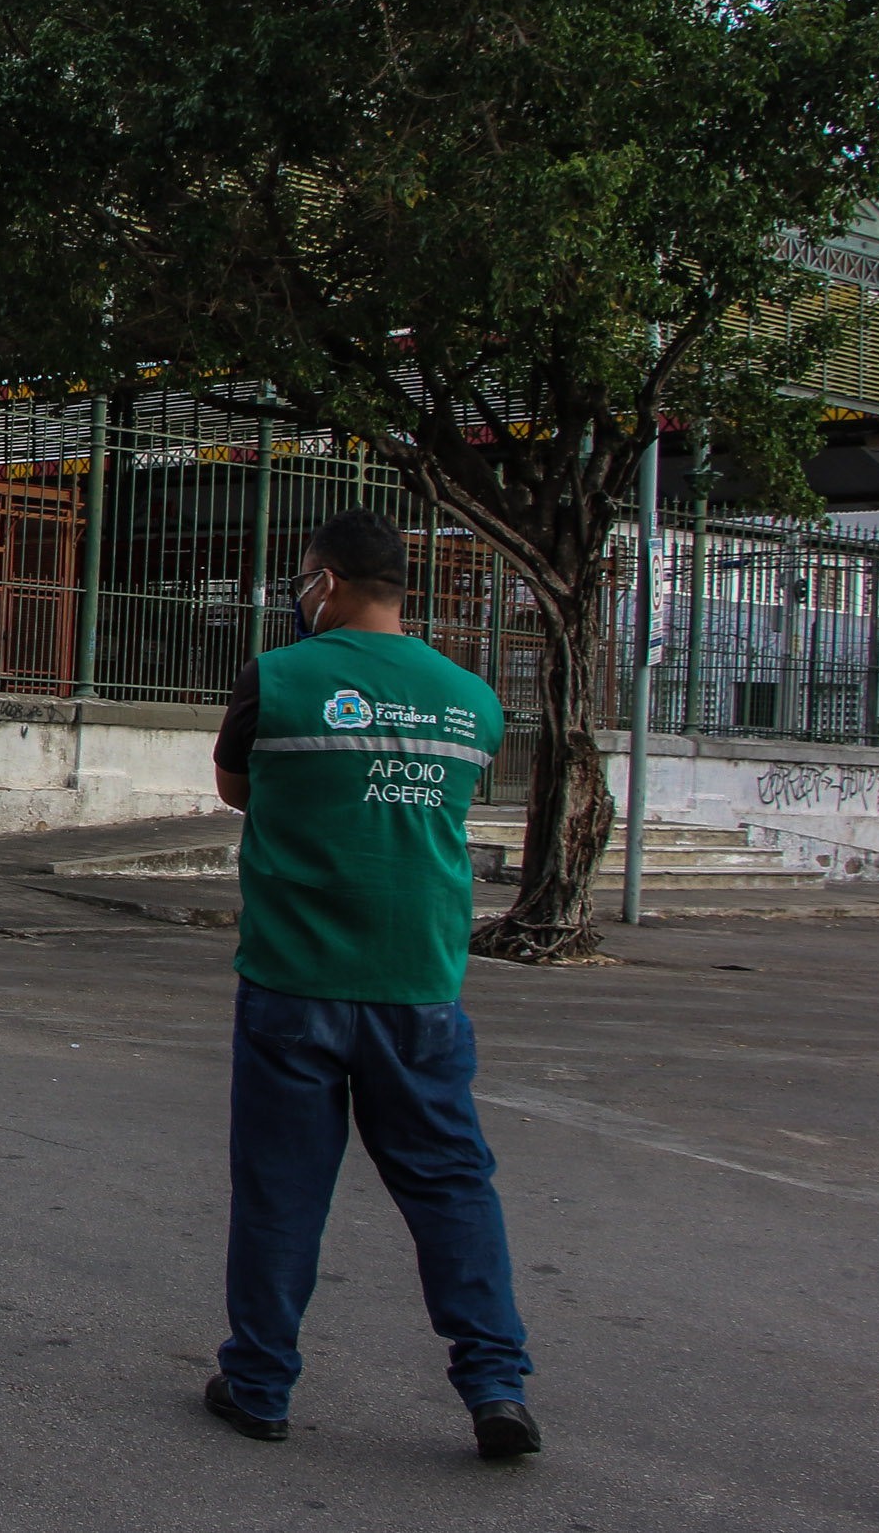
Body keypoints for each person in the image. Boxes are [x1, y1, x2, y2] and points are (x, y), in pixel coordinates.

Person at [203, 509, 539, 1459]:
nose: (297, 596)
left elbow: (234, 788)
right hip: (419, 987)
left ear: (331, 581)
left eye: (303, 580)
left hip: (292, 982)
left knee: (280, 1190)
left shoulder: (277, 676)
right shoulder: (471, 699)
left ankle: (259, 1385)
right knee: (451, 1188)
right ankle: (494, 1386)